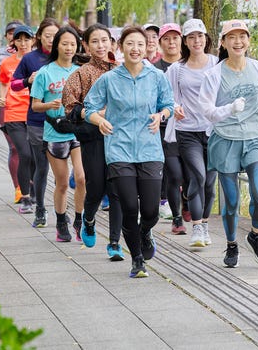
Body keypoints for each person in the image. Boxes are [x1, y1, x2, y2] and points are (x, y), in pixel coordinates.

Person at [84, 25, 174, 279]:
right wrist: (98, 120)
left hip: (150, 150)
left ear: (147, 48)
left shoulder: (157, 77)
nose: (135, 49)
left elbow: (168, 103)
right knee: (128, 209)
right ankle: (136, 260)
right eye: (130, 44)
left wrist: (161, 115)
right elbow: (88, 107)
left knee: (150, 212)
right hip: (119, 150)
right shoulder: (109, 80)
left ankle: (146, 231)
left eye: (140, 44)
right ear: (120, 47)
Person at [199, 19, 258, 269]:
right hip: (225, 138)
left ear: (249, 40)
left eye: (242, 36)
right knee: (231, 201)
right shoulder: (214, 74)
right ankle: (231, 244)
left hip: (253, 136)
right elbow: (207, 111)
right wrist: (229, 109)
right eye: (232, 37)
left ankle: (255, 235)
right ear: (223, 42)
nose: (238, 41)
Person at [62, 23, 124, 260]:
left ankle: (115, 242)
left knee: (118, 189)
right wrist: (95, 114)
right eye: (95, 41)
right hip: (94, 138)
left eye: (105, 40)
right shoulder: (80, 74)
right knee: (96, 187)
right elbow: (70, 107)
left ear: (112, 43)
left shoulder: (122, 69)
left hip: (121, 138)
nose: (101, 45)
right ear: (85, 45)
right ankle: (88, 220)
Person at [165, 19, 218, 248]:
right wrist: (173, 107)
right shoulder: (177, 69)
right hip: (187, 131)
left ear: (206, 39)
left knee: (210, 184)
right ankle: (197, 227)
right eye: (191, 37)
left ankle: (205, 224)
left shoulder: (217, 64)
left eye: (200, 36)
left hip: (213, 131)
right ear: (185, 41)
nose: (197, 41)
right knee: (198, 176)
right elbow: (168, 97)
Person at [31, 26, 85, 242]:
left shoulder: (80, 71)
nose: (69, 48)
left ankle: (80, 220)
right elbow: (35, 106)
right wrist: (49, 104)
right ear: (56, 46)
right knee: (62, 183)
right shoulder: (45, 73)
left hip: (77, 132)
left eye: (73, 44)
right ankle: (61, 221)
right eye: (65, 43)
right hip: (54, 133)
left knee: (81, 178)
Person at [11, 18, 60, 228]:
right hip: (38, 121)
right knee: (42, 167)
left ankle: (62, 211)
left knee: (62, 173)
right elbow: (14, 84)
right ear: (39, 37)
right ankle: (39, 208)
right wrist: (27, 81)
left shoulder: (68, 58)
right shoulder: (30, 59)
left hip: (63, 123)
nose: (51, 40)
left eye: (55, 36)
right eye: (47, 35)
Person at [154, 23, 188, 233]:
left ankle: (187, 197)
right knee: (173, 174)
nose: (171, 42)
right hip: (165, 128)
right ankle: (177, 218)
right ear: (160, 43)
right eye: (166, 38)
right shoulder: (154, 69)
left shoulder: (191, 65)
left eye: (175, 38)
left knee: (193, 175)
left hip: (192, 128)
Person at [0, 25, 35, 214]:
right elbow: (4, 83)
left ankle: (33, 187)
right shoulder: (7, 63)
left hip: (35, 112)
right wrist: (2, 99)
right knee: (24, 154)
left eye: (26, 39)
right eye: (19, 40)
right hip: (14, 113)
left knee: (36, 156)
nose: (23, 43)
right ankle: (25, 196)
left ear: (33, 41)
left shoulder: (39, 62)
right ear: (14, 42)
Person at [0, 20, 22, 203]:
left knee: (31, 149)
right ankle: (18, 187)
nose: (14, 37)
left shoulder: (32, 55)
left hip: (28, 106)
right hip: (8, 106)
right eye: (11, 33)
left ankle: (31, 183)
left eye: (18, 33)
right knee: (15, 147)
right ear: (7, 37)